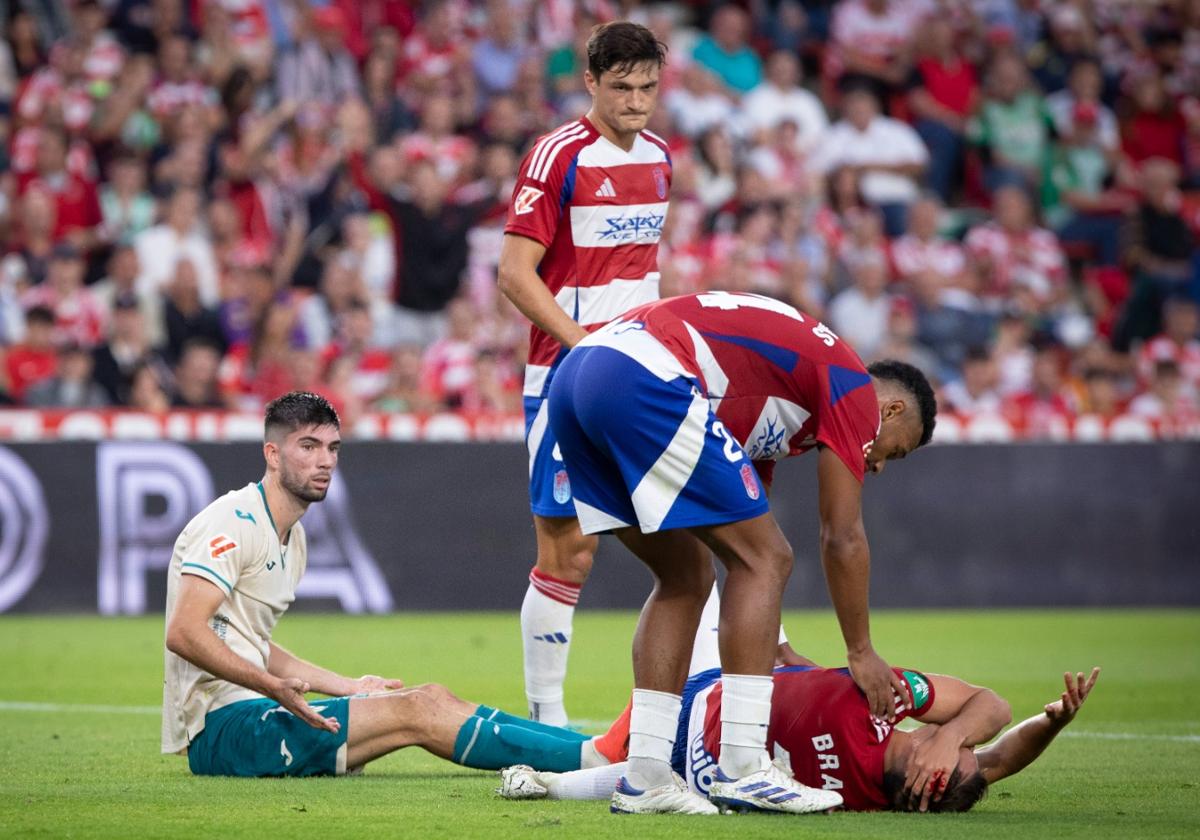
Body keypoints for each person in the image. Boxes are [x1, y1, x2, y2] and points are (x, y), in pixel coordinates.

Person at [545, 291, 937, 814]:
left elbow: (741, 532)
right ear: (890, 409)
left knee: (685, 576)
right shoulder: (855, 391)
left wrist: (773, 642)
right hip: (644, 374)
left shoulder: (782, 404)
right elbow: (840, 536)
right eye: (896, 449)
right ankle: (744, 765)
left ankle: (645, 777)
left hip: (579, 378)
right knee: (770, 558)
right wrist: (860, 652)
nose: (881, 465)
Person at [161, 391, 612, 778]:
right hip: (226, 732)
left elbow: (250, 643)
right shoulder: (233, 519)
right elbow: (184, 632)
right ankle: (592, 758)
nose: (324, 461)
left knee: (432, 695)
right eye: (308, 446)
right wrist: (269, 686)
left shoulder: (291, 536)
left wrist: (347, 685)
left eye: (333, 448)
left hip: (253, 713)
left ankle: (596, 747)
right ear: (272, 454)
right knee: (416, 711)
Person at [496, 21, 672, 729]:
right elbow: (513, 274)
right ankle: (547, 722)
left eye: (648, 87)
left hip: (647, 379)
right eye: (622, 87)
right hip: (568, 378)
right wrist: (584, 345)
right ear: (591, 82)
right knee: (570, 554)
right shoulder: (557, 154)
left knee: (691, 542)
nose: (636, 102)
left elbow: (643, 273)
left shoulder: (661, 156)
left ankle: (702, 718)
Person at [501, 656, 1102, 815]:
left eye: (957, 753)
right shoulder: (887, 708)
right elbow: (994, 722)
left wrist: (950, 737)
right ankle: (549, 777)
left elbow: (989, 748)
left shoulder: (876, 714)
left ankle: (544, 782)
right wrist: (1052, 723)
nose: (966, 747)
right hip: (721, 678)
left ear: (929, 778)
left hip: (691, 722)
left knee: (611, 765)